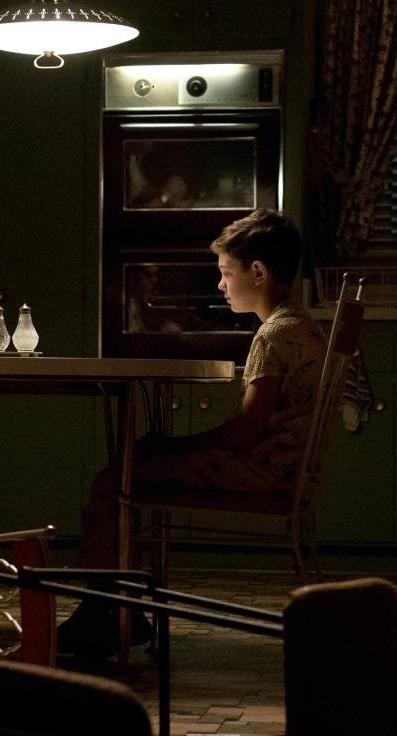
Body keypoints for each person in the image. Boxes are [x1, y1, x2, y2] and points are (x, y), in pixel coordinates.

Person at [59, 209, 327, 659]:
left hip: (258, 470)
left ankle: (102, 613)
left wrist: (174, 445)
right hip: (282, 468)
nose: (220, 284)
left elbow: (243, 433)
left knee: (113, 481)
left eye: (226, 273)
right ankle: (123, 612)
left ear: (258, 272)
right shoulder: (303, 325)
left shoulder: (273, 336)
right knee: (134, 466)